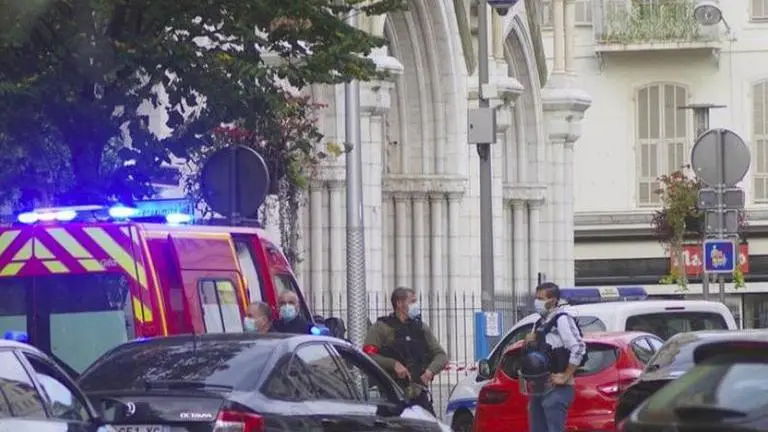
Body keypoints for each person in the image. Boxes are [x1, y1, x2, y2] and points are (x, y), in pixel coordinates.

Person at [363, 287, 448, 415]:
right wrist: (393, 364)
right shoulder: (381, 328)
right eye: (412, 301)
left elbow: (441, 355)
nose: (416, 305)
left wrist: (430, 372)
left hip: (418, 394)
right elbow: (368, 355)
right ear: (399, 303)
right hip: (390, 395)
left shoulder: (421, 328)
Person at [523, 282, 587, 432]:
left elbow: (579, 348)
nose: (537, 302)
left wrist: (565, 376)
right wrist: (528, 342)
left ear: (552, 300)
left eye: (541, 298)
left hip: (557, 389)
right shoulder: (539, 323)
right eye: (536, 298)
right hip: (538, 388)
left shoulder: (562, 319)